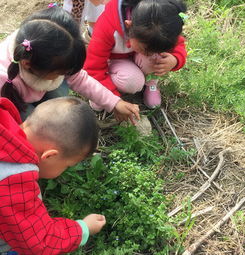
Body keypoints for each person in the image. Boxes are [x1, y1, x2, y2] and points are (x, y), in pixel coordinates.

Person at [0, 96, 106, 254]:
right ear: (49, 156)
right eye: (67, 166)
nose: (65, 170)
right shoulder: (14, 181)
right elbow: (40, 242)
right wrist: (83, 228)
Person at [0, 7, 139, 123]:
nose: (67, 75)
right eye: (61, 73)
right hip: (12, 104)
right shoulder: (4, 77)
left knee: (59, 94)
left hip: (37, 84)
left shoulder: (45, 52)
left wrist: (114, 102)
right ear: (27, 64)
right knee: (31, 122)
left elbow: (80, 79)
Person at [84, 0, 187, 109]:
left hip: (134, 56)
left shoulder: (162, 22)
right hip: (114, 60)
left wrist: (175, 59)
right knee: (133, 81)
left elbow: (178, 44)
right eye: (146, 50)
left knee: (159, 57)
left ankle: (151, 84)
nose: (150, 55)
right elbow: (93, 66)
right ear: (128, 25)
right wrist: (111, 98)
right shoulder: (107, 27)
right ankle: (105, 86)